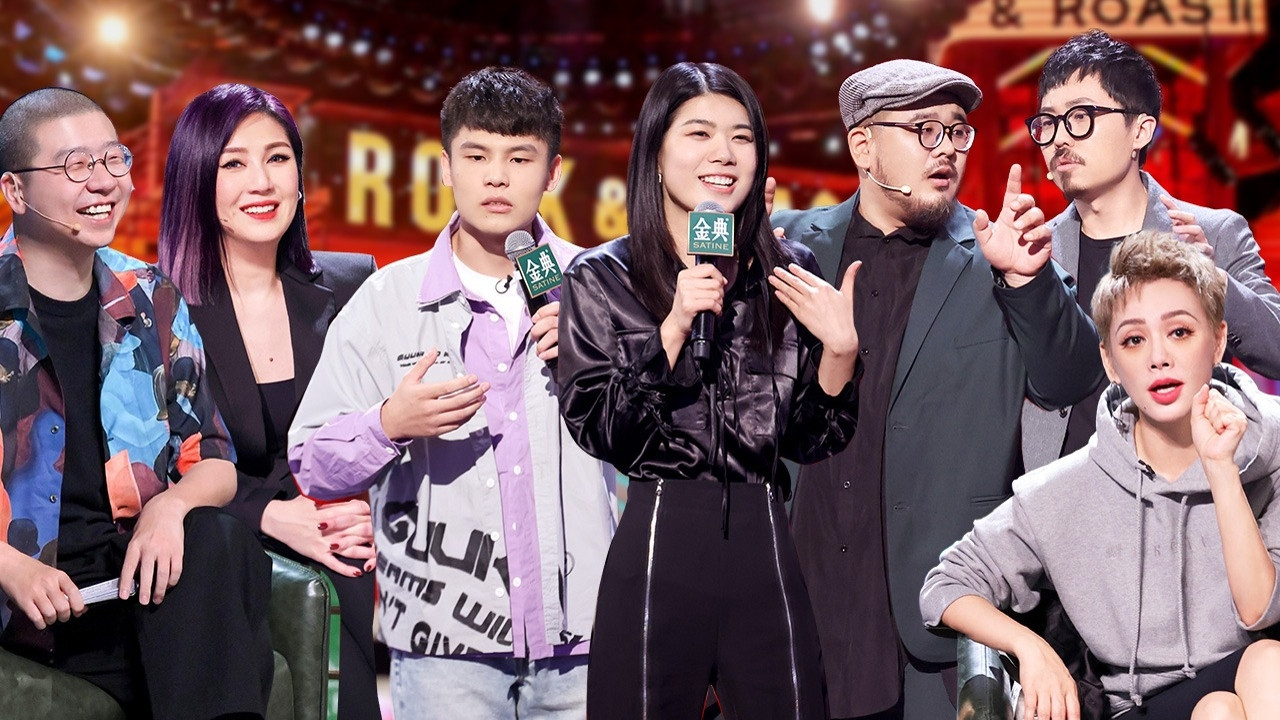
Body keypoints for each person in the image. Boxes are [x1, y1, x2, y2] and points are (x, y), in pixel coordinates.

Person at [771, 59, 1104, 720]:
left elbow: (1070, 379)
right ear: (863, 146)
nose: (947, 148)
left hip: (939, 613)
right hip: (801, 596)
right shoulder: (792, 246)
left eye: (957, 131)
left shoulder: (995, 252)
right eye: (925, 129)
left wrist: (1026, 282)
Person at [288, 67, 617, 719]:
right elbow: (313, 462)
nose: (496, 177)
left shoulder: (599, 286)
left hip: (585, 637)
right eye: (476, 155)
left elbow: (656, 441)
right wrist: (388, 424)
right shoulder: (387, 300)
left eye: (519, 158)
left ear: (552, 172)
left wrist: (603, 365)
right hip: (444, 647)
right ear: (446, 168)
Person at [558, 61, 861, 719]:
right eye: (699, 133)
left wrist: (840, 354)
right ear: (656, 154)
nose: (723, 153)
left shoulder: (791, 272)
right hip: (658, 537)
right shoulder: (601, 276)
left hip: (764, 537)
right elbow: (599, 427)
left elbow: (810, 440)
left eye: (741, 137)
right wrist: (673, 328)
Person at [921, 230, 1280, 720]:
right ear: (1110, 361)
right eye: (1134, 340)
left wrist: (1221, 469)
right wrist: (1029, 647)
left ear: (1218, 341)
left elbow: (1260, 610)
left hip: (1250, 677)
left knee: (1256, 671)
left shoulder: (1269, 449)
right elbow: (944, 585)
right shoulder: (1064, 489)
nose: (1158, 357)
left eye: (1179, 332)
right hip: (1136, 708)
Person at [0, 88, 272, 719]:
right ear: (16, 191)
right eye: (75, 166)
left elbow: (215, 459)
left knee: (217, 539)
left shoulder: (152, 296)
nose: (104, 182)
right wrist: (10, 567)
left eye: (113, 159)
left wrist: (169, 508)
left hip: (132, 585)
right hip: (25, 595)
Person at [156, 83, 380, 720]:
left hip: (336, 540)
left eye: (278, 158)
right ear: (198, 180)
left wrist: (375, 510)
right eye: (233, 163)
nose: (262, 182)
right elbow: (157, 463)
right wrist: (270, 517)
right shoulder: (155, 305)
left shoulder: (353, 286)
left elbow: (384, 427)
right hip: (215, 548)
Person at [1022, 29, 1280, 471]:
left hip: (1185, 487)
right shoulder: (1031, 253)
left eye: (1080, 117)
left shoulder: (1212, 233)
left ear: (1140, 131)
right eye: (1048, 123)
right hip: (1061, 490)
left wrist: (1212, 279)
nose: (1060, 139)